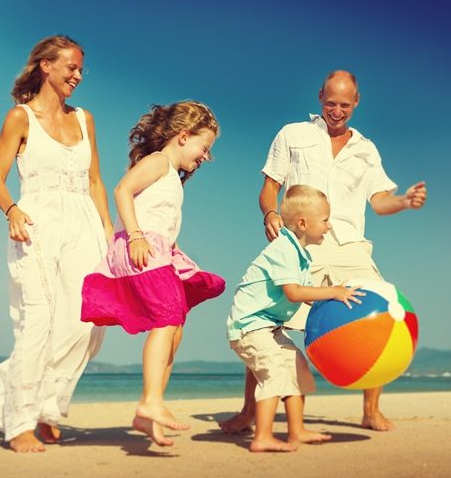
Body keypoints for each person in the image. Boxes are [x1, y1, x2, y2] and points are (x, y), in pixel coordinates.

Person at [220, 70, 427, 434]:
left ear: (356, 102)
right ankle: (248, 410)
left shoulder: (366, 149)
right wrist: (270, 213)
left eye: (344, 105)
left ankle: (370, 410)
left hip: (350, 245)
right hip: (302, 244)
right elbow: (269, 187)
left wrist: (404, 201)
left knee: (379, 314)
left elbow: (379, 202)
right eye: (330, 103)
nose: (336, 111)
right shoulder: (292, 134)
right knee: (269, 323)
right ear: (320, 97)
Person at [0, 35, 114, 453]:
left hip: (84, 223)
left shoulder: (84, 119)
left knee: (87, 322)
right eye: (71, 67)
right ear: (46, 66)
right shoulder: (20, 118)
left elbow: (95, 180)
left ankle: (45, 404)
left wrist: (110, 233)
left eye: (80, 69)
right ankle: (21, 420)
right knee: (38, 320)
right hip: (36, 223)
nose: (77, 76)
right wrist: (13, 212)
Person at [81, 101, 226, 446]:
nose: (206, 157)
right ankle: (151, 401)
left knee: (175, 328)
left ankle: (148, 412)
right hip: (139, 246)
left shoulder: (172, 176)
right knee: (166, 319)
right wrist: (135, 235)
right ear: (183, 136)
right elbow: (122, 190)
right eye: (204, 148)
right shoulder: (158, 162)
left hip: (158, 250)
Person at [227, 185, 364, 452]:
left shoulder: (300, 254)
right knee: (274, 371)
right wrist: (333, 291)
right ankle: (262, 436)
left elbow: (309, 295)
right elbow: (293, 293)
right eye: (325, 220)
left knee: (297, 366)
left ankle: (296, 430)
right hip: (250, 326)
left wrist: (339, 302)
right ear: (303, 223)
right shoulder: (284, 249)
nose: (329, 225)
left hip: (269, 326)